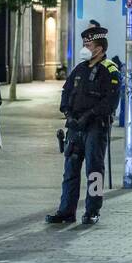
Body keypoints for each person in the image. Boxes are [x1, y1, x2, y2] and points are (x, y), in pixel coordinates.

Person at [46, 21, 120, 226]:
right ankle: (66, 211)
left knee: (94, 172)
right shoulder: (79, 68)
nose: (84, 48)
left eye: (88, 45)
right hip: (75, 127)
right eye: (84, 44)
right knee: (70, 171)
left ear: (99, 48)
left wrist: (90, 115)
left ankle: (92, 211)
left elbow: (110, 101)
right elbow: (66, 91)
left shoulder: (110, 70)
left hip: (96, 127)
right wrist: (67, 113)